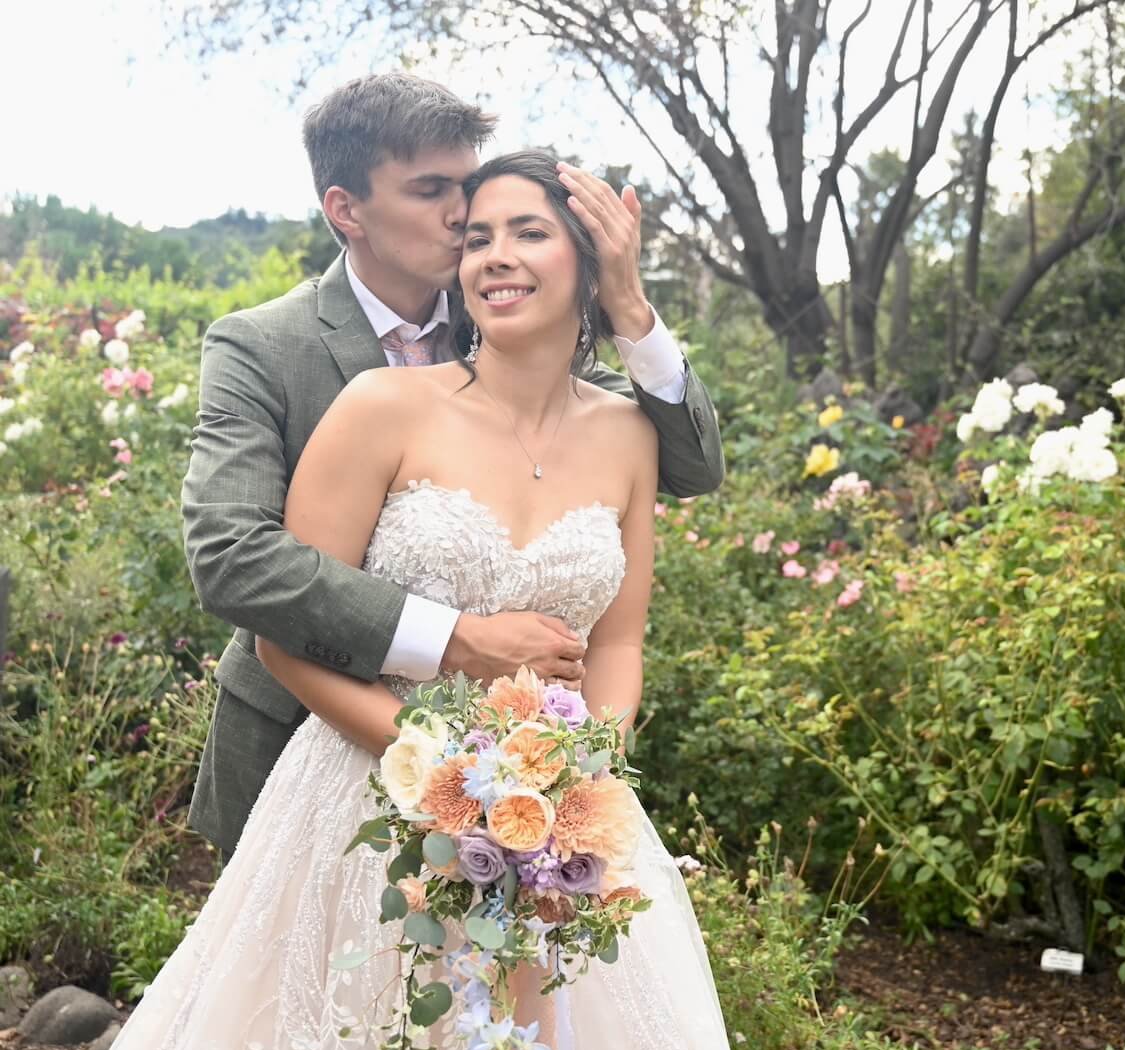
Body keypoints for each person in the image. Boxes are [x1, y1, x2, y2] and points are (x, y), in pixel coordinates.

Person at [93, 149, 742, 1050]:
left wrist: (581, 780)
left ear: (591, 261)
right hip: (369, 788)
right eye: (477, 237)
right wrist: (441, 769)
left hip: (561, 820)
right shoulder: (383, 405)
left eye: (528, 233)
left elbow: (621, 637)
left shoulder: (632, 435)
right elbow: (283, 631)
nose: (493, 256)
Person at [180, 72, 724, 858]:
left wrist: (630, 308)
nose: (465, 215)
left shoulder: (519, 333)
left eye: (467, 188)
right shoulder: (262, 346)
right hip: (308, 750)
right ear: (347, 210)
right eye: (433, 190)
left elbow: (694, 465)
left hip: (527, 790)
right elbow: (234, 561)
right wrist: (454, 641)